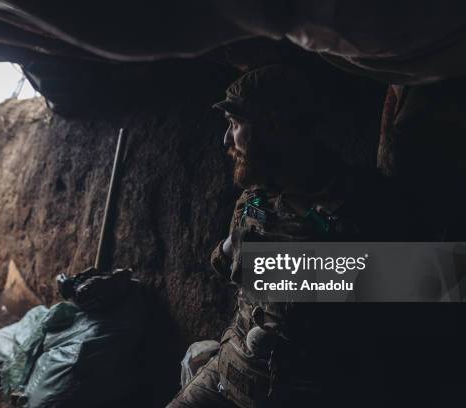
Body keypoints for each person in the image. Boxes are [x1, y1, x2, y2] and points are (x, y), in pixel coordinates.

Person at [166, 65, 413, 408]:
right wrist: (233, 251)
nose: (226, 139)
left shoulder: (358, 205)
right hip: (229, 373)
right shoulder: (256, 196)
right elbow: (225, 264)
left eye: (235, 125)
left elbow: (413, 299)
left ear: (273, 127)